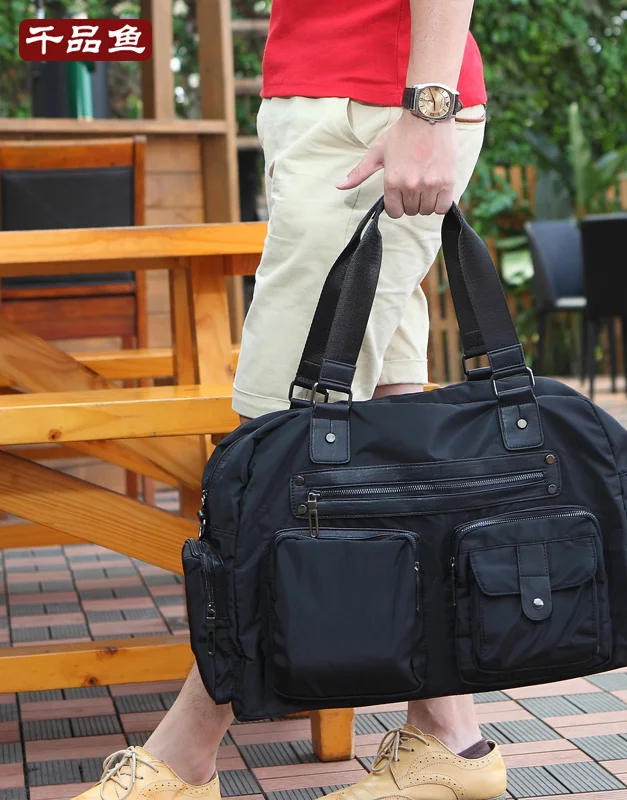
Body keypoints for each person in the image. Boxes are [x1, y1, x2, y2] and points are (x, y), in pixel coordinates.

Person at [77, 1, 506, 799]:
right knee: (391, 448)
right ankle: (449, 735)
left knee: (277, 455)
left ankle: (185, 755)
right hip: (314, 104)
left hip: (376, 104)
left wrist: (428, 105)